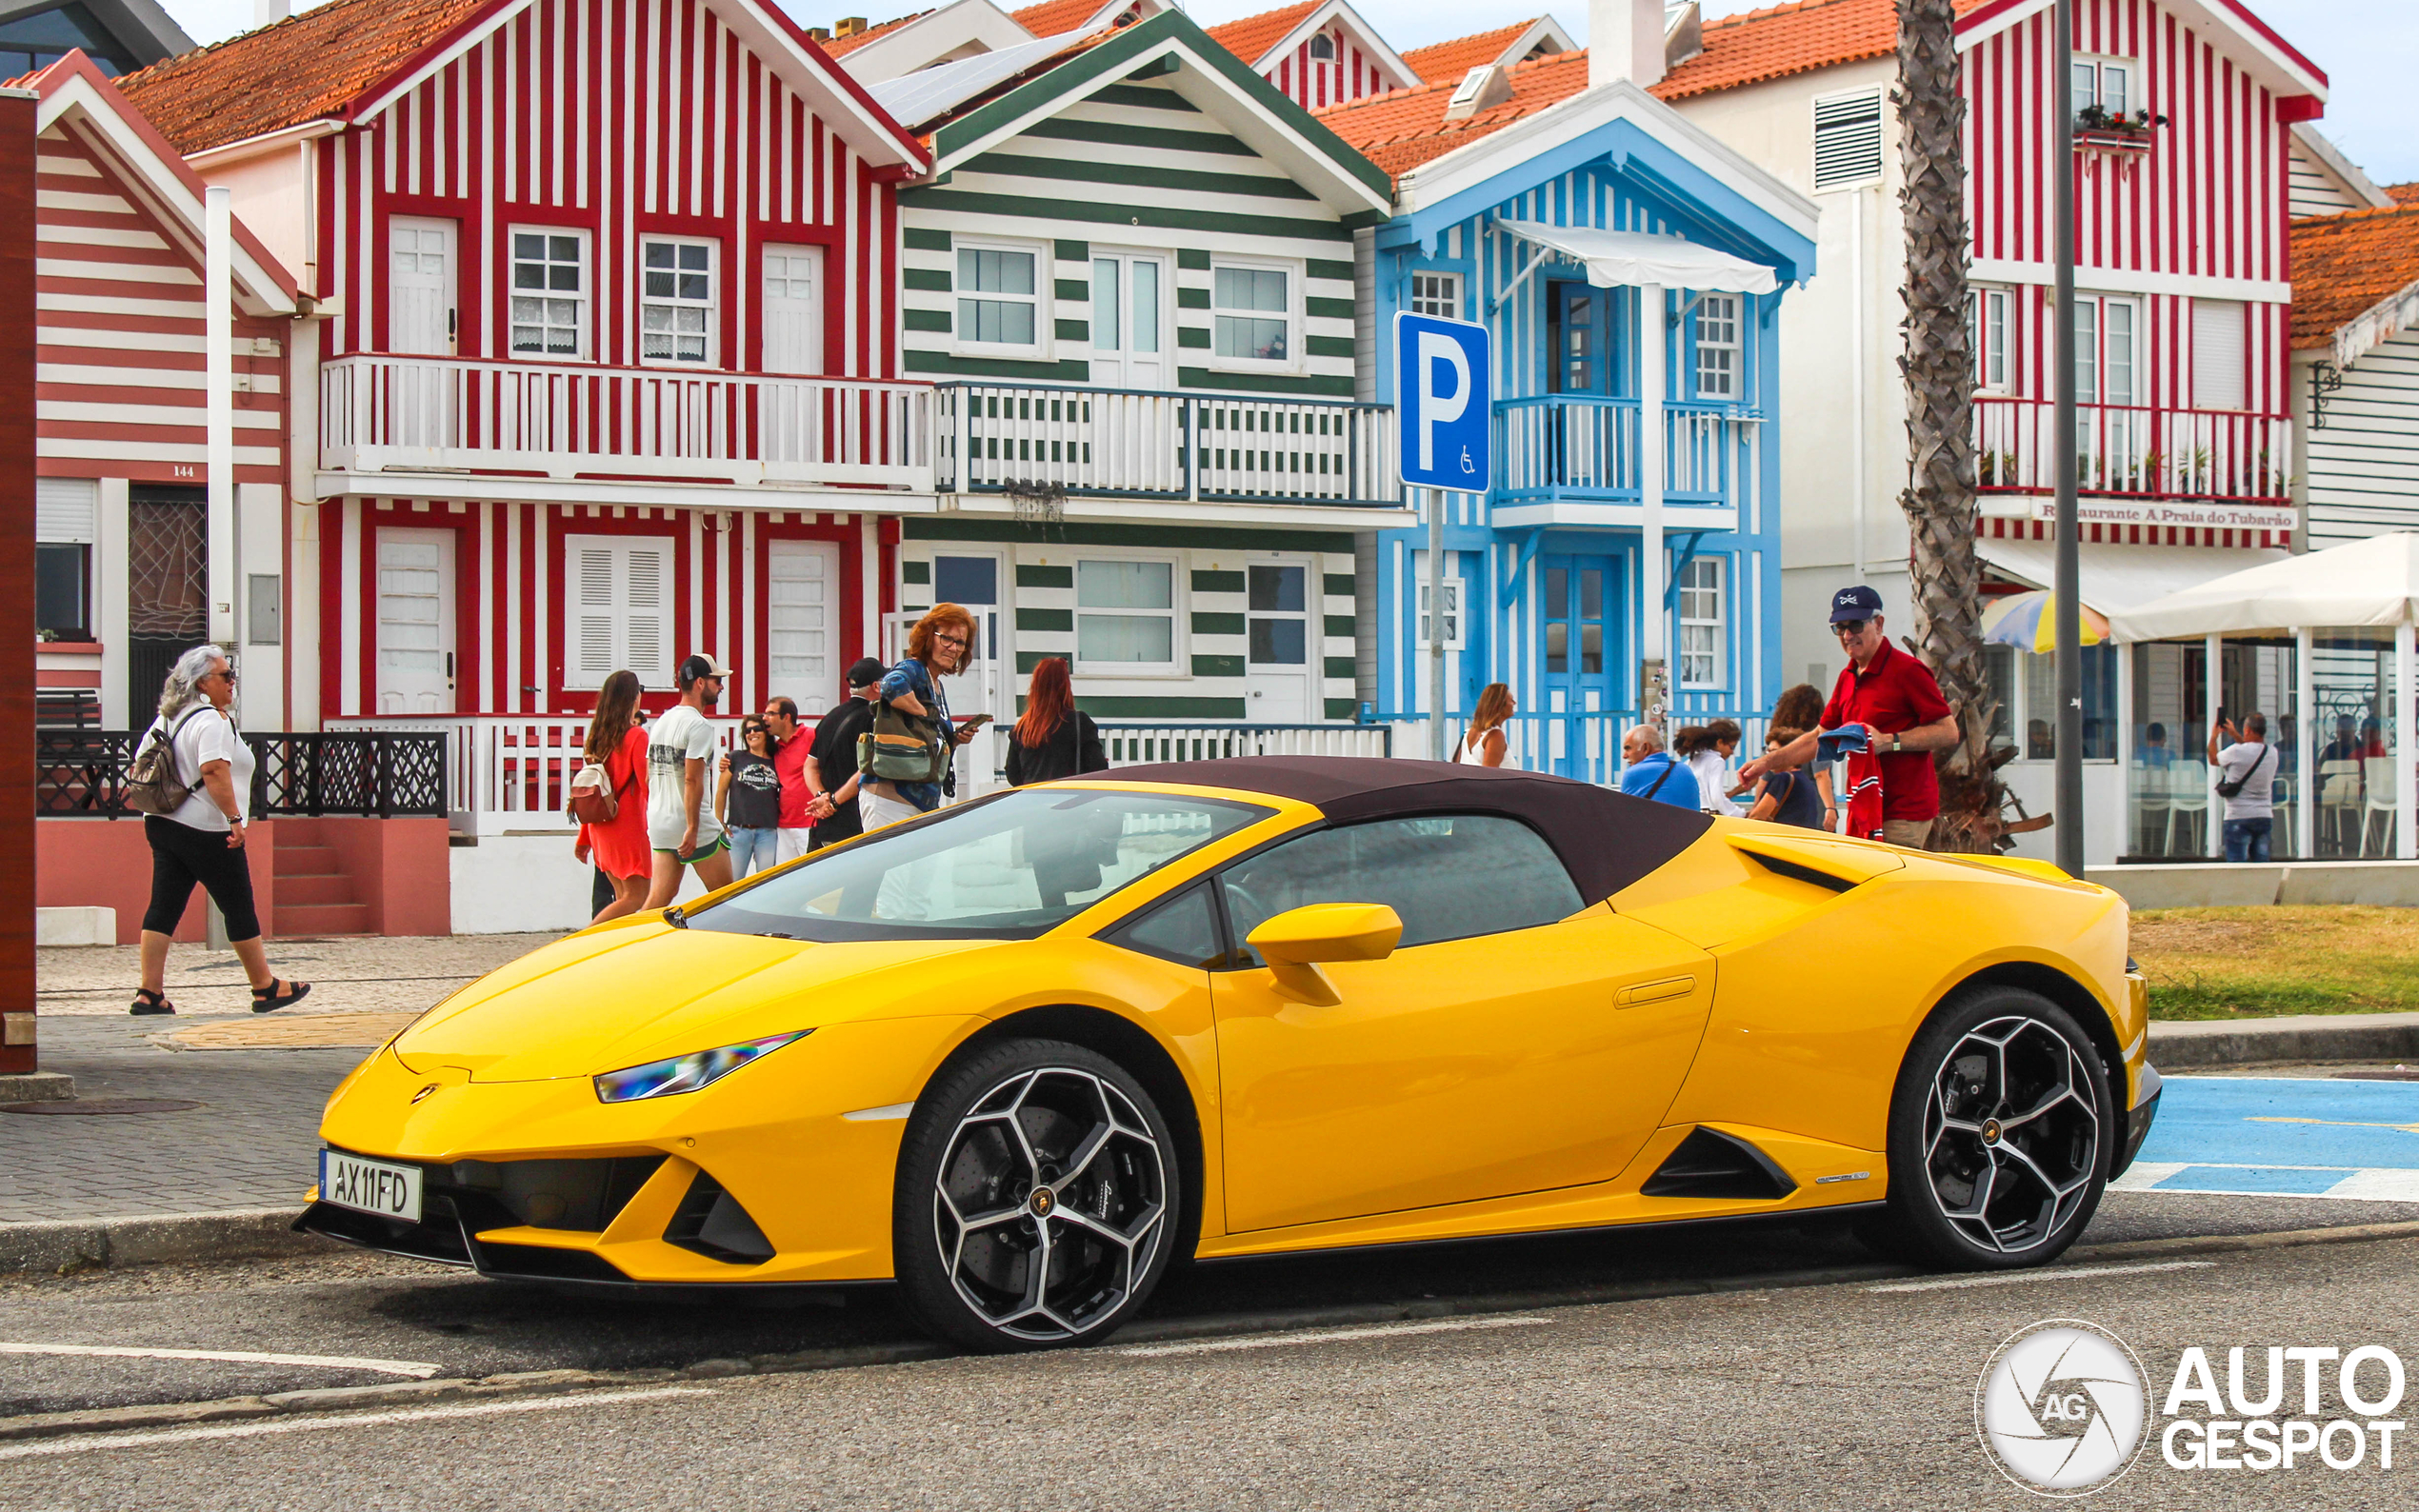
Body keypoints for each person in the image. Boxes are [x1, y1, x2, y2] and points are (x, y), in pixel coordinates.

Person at [130, 646, 309, 1015]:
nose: (232, 682)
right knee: (238, 905)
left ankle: (149, 993)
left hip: (163, 824)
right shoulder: (211, 720)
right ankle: (264, 987)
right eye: (225, 675)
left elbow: (140, 764)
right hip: (208, 828)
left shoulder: (168, 719)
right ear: (201, 683)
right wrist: (233, 820)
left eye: (232, 674)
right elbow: (214, 770)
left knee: (164, 905)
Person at [1740, 587, 1958, 847]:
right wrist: (1767, 762)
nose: (1847, 635)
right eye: (1839, 628)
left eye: (1855, 625)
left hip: (1903, 810)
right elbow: (1818, 737)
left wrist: (1890, 741)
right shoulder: (1847, 677)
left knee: (1885, 884)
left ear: (1879, 624)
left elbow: (1948, 731)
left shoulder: (1907, 670)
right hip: (1864, 807)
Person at [863, 605, 990, 830]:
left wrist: (956, 739)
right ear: (929, 638)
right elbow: (891, 684)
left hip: (919, 802)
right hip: (890, 800)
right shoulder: (914, 669)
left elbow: (928, 741)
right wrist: (924, 714)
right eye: (946, 639)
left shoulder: (936, 685)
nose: (953, 648)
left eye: (960, 642)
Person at [643, 654, 737, 910]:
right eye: (716, 680)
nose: (721, 687)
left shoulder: (662, 721)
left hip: (661, 820)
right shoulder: (699, 726)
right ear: (699, 683)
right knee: (726, 897)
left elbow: (647, 774)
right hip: (691, 823)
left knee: (658, 900)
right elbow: (692, 780)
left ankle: (628, 942)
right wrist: (693, 827)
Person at [574, 669, 652, 923]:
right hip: (626, 825)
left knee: (621, 897)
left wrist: (583, 836)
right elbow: (646, 784)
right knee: (636, 897)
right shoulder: (636, 735)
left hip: (600, 826)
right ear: (633, 697)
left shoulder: (597, 737)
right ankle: (585, 941)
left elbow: (593, 788)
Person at [805, 659, 884, 848]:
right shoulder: (875, 718)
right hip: (855, 821)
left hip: (825, 825)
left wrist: (821, 794)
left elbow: (810, 765)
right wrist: (832, 802)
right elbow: (868, 767)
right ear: (876, 686)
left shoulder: (830, 717)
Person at [1005, 657, 1108, 786]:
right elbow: (1097, 767)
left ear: (1035, 687)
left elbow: (1013, 774)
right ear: (1065, 686)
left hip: (1033, 799)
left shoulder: (1022, 728)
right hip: (1069, 798)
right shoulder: (1079, 722)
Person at [2209, 711, 2280, 863]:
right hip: (2263, 815)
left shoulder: (2236, 751)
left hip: (2238, 816)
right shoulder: (2272, 752)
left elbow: (2214, 759)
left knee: (2237, 869)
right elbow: (2251, 752)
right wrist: (2235, 734)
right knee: (2262, 868)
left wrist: (2214, 736)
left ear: (2247, 730)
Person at [1769, 683, 1838, 831]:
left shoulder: (1779, 739)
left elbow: (1765, 776)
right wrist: (1830, 808)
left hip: (1786, 807)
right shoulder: (1816, 737)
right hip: (1813, 806)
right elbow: (1821, 774)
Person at [719, 715, 781, 878]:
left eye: (756, 729)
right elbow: (721, 790)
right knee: (733, 884)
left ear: (766, 732)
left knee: (766, 882)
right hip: (739, 831)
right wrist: (719, 821)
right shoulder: (735, 758)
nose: (751, 733)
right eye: (747, 730)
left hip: (767, 832)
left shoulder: (777, 761)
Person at [762, 697, 815, 864]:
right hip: (784, 824)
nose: (765, 718)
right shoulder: (775, 748)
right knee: (787, 878)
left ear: (786, 717)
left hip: (810, 822)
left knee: (814, 876)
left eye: (771, 714)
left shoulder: (811, 735)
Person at [1747, 728, 1827, 829]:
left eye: (1774, 752)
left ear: (1788, 754)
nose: (1769, 757)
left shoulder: (1782, 779)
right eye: (1768, 752)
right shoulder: (1806, 781)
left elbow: (1757, 816)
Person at [1618, 724, 1700, 811]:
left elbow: (1623, 815)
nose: (1624, 755)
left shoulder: (1634, 773)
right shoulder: (1685, 769)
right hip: (1690, 825)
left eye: (1628, 749)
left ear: (1646, 748)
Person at [1672, 719, 1745, 814]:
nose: (1732, 752)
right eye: (1732, 747)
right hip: (1708, 815)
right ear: (1719, 743)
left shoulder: (1691, 760)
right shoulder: (1716, 761)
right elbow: (1717, 797)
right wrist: (1740, 814)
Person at [1450, 684, 1516, 766]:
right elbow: (1488, 774)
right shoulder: (1495, 735)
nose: (1514, 703)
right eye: (1511, 700)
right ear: (1499, 705)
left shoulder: (1468, 733)